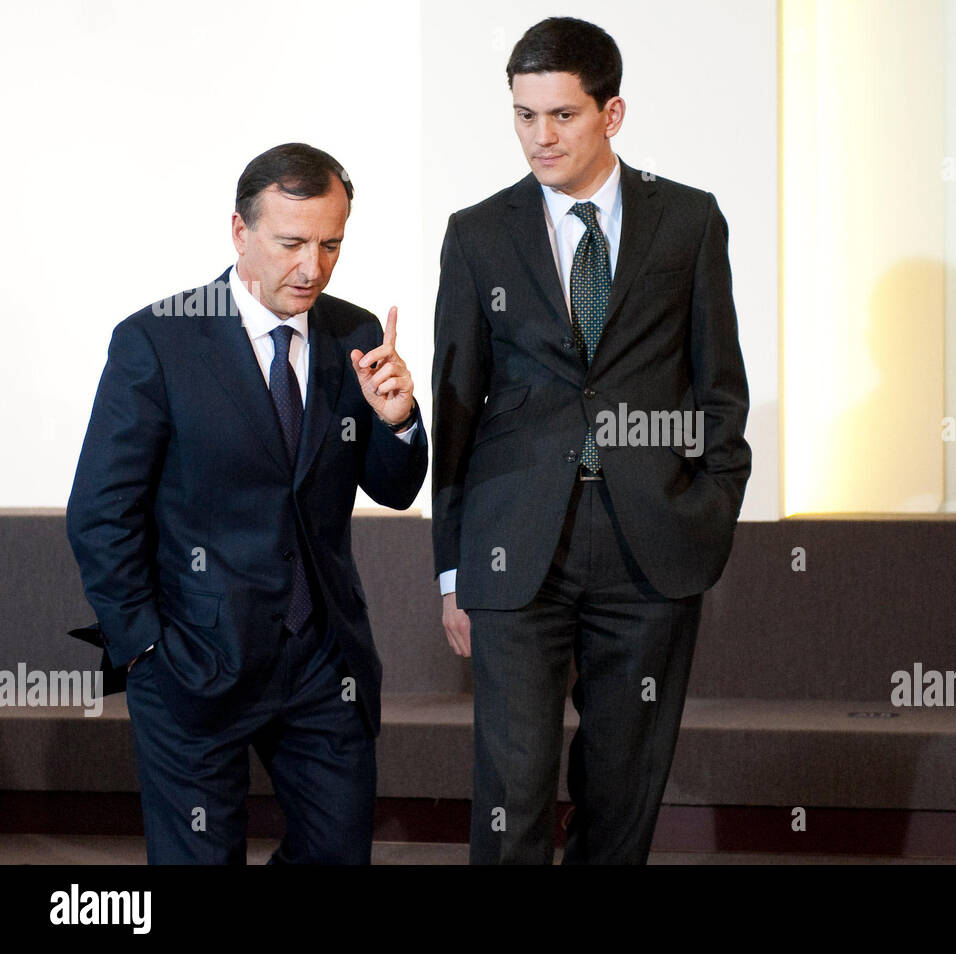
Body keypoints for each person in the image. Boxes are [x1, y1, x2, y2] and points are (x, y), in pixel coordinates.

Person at [432, 16, 751, 864]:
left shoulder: (688, 221)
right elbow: (457, 407)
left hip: (651, 544)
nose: (540, 137)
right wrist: (454, 565)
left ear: (613, 114)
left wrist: (708, 513)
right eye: (524, 115)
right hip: (511, 543)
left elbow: (721, 388)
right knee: (514, 786)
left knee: (623, 791)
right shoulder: (477, 233)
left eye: (562, 116)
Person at [66, 143, 428, 864]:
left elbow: (393, 487)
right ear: (240, 232)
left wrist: (397, 418)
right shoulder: (158, 340)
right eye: (291, 243)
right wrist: (144, 648)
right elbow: (100, 512)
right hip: (193, 663)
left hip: (324, 664)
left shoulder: (353, 334)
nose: (313, 268)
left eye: (331, 244)